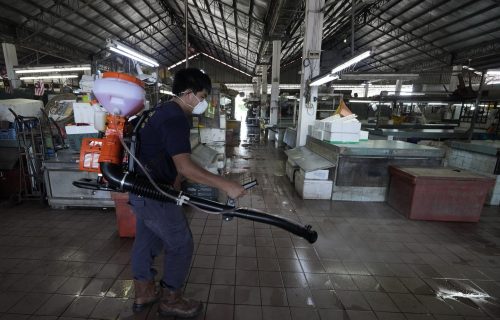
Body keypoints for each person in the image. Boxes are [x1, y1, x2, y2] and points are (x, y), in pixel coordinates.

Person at [129, 68, 245, 318]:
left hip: (143, 191)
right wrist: (226, 185)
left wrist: (176, 178)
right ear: (189, 93)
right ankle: (171, 299)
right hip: (155, 193)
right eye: (202, 96)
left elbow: (167, 156)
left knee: (146, 240)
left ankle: (144, 292)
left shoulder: (160, 111)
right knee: (181, 243)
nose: (203, 102)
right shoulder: (175, 118)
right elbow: (185, 165)